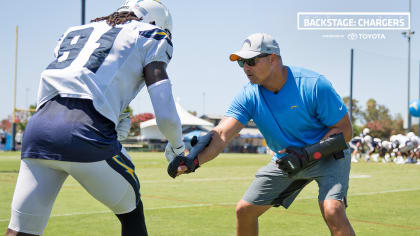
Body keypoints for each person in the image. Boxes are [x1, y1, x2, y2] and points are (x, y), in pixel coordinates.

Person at [6, 1, 186, 235]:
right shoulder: (150, 34)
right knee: (132, 212)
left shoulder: (76, 31)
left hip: (38, 132)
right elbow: (165, 112)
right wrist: (178, 147)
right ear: (155, 23)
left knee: (21, 231)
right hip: (86, 132)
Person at [174, 33, 355, 236]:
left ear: (273, 59)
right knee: (245, 211)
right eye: (241, 62)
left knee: (333, 211)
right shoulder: (248, 95)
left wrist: (308, 154)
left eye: (251, 61)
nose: (245, 68)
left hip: (328, 156)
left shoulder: (313, 85)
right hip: (287, 160)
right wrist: (192, 160)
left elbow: (346, 130)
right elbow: (221, 134)